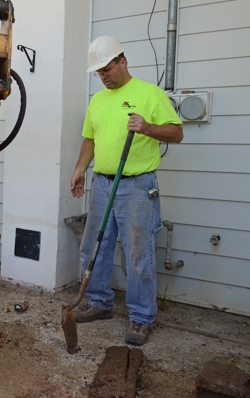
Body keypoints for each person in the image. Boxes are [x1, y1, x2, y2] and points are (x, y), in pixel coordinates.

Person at [70, 35, 184, 346]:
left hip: (136, 185)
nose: (103, 76)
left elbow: (177, 133)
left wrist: (147, 128)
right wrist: (80, 169)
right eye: (99, 73)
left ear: (123, 61)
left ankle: (141, 317)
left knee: (137, 253)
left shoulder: (150, 93)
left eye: (107, 69)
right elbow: (90, 139)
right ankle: (98, 302)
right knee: (94, 245)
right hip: (103, 183)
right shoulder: (97, 99)